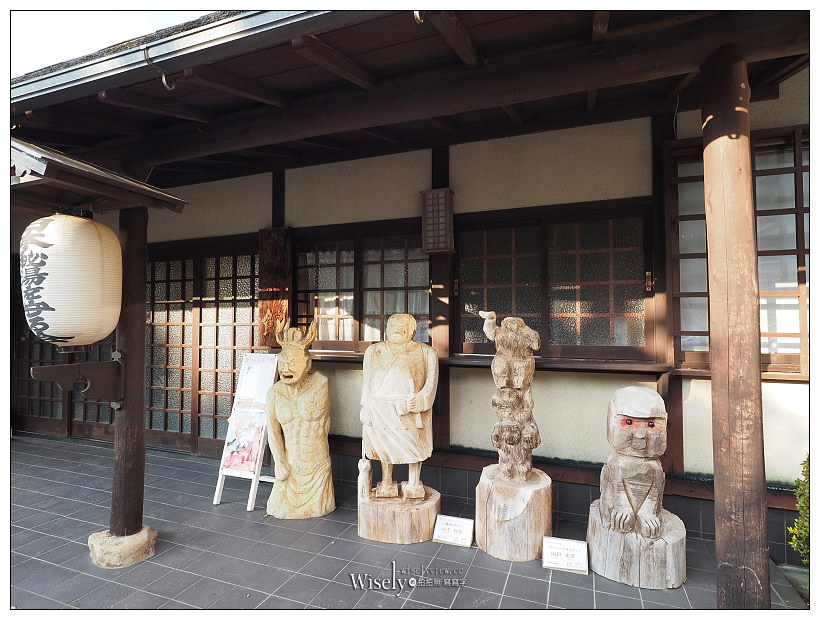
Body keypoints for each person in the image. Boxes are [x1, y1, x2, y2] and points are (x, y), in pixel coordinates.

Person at [360, 313, 439, 499]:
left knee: (414, 445)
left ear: (412, 330)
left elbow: (431, 384)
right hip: (380, 408)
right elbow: (367, 382)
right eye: (392, 325)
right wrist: (366, 406)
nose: (396, 328)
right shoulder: (373, 351)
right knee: (384, 446)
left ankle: (414, 483)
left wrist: (419, 401)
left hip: (408, 408)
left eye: (401, 325)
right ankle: (386, 481)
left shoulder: (426, 352)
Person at [265, 319, 335, 519]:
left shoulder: (321, 384)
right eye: (282, 363)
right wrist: (279, 462)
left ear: (307, 363)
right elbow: (272, 430)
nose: (286, 369)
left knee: (318, 504)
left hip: (316, 464)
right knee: (278, 507)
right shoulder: (275, 392)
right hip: (290, 464)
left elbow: (321, 421)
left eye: (292, 363)